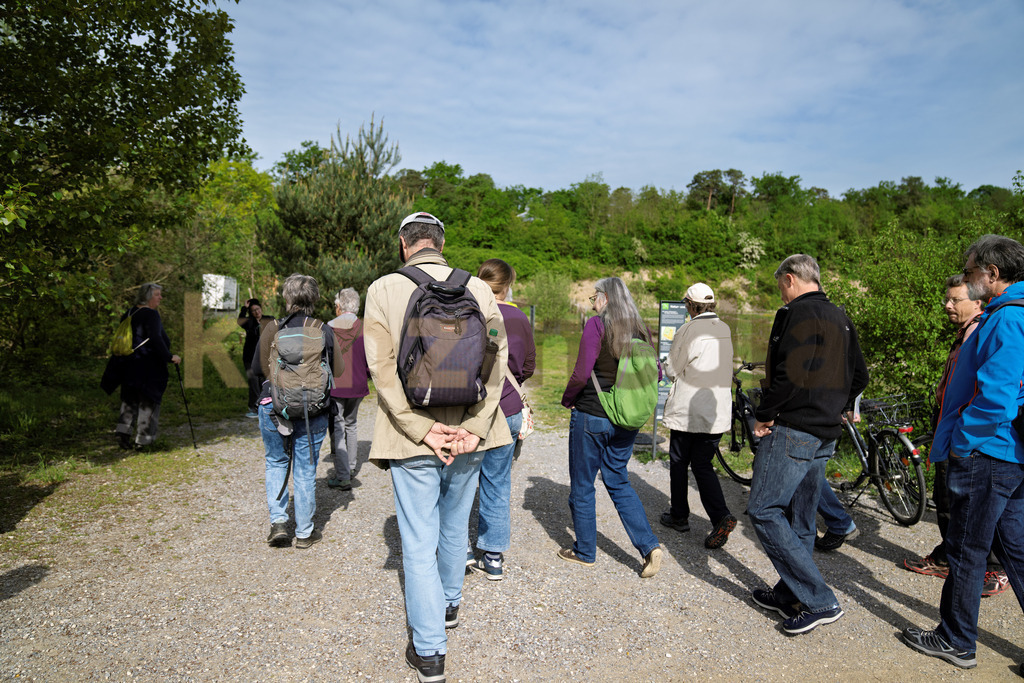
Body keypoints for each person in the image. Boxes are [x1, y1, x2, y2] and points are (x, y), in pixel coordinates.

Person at [363, 212, 510, 683]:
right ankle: (448, 606)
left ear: (403, 245)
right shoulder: (479, 289)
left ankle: (429, 652)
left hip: (411, 435)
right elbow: (497, 359)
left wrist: (418, 427)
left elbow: (380, 367)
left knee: (418, 540)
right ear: (441, 244)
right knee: (454, 525)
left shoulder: (384, 288)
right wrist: (477, 425)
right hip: (469, 431)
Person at [902, 235, 1024, 670]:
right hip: (1007, 454)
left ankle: (955, 640)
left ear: (992, 273)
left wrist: (962, 442)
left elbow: (997, 398)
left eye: (971, 271)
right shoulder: (1007, 313)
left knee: (966, 549)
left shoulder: (1007, 318)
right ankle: (957, 636)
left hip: (988, 453)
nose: (967, 278)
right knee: (1015, 550)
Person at [747, 254, 868, 635]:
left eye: (780, 286)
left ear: (790, 279)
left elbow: (788, 374)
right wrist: (837, 407)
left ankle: (819, 599)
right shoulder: (840, 316)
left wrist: (764, 414)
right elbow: (860, 377)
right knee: (801, 518)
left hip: (794, 428)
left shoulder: (795, 313)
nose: (780, 295)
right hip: (825, 432)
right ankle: (790, 594)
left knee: (764, 509)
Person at [903, 275, 1009, 596]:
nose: (948, 305)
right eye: (946, 299)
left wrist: (963, 438)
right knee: (949, 499)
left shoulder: (979, 331)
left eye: (955, 300)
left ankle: (990, 568)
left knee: (957, 503)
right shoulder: (965, 332)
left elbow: (987, 392)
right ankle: (949, 555)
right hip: (953, 429)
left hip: (964, 436)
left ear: (977, 302)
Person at [559, 277, 663, 578]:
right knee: (618, 480)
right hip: (626, 419)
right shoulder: (641, 329)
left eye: (594, 298)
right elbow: (656, 374)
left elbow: (582, 372)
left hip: (593, 413)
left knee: (582, 484)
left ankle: (585, 551)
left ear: (605, 298)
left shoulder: (597, 325)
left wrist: (568, 399)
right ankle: (649, 546)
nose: (593, 303)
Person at [255, 274, 343, 550]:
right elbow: (338, 370)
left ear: (287, 297)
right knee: (305, 469)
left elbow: (260, 368)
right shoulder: (323, 329)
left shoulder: (272, 328)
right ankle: (304, 532)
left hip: (274, 406)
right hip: (312, 409)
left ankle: (279, 523)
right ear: (314, 299)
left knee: (276, 462)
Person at [469, 259, 536, 580]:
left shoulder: (470, 311)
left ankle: (460, 550)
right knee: (497, 482)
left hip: (473, 409)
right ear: (508, 285)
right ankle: (493, 556)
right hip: (508, 409)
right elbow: (529, 366)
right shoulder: (520, 317)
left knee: (460, 481)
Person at [659, 282, 738, 549]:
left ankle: (679, 516)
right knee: (703, 465)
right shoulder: (724, 328)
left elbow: (672, 369)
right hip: (717, 410)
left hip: (690, 410)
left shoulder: (688, 329)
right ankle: (720, 516)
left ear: (691, 305)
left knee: (679, 461)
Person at [103, 283, 181, 450]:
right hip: (148, 366)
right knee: (149, 400)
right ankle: (143, 441)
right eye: (157, 294)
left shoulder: (129, 313)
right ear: (148, 297)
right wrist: (169, 357)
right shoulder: (151, 314)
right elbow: (155, 338)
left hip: (128, 364)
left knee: (129, 400)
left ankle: (123, 435)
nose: (160, 298)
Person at [326, 287, 370, 491]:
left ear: (339, 306)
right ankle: (351, 468)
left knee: (338, 427)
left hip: (337, 385)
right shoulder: (365, 328)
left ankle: (343, 475)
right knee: (351, 425)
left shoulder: (329, 328)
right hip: (358, 383)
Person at [237, 298, 274, 418]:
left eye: (258, 309)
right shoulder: (249, 322)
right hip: (250, 357)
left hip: (265, 357)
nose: (256, 312)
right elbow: (240, 321)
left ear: (261, 309)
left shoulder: (269, 320)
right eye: (253, 311)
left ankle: (265, 406)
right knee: (253, 381)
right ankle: (254, 408)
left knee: (264, 382)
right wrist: (244, 308)